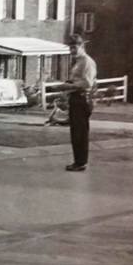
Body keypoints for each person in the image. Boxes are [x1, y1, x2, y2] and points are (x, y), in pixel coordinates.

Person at [57, 34, 97, 172]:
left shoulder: (87, 61)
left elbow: (87, 82)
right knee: (75, 132)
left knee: (80, 132)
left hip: (82, 98)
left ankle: (81, 162)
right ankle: (78, 161)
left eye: (74, 47)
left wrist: (69, 86)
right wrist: (69, 84)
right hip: (75, 98)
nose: (72, 50)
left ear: (82, 46)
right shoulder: (79, 61)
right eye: (70, 48)